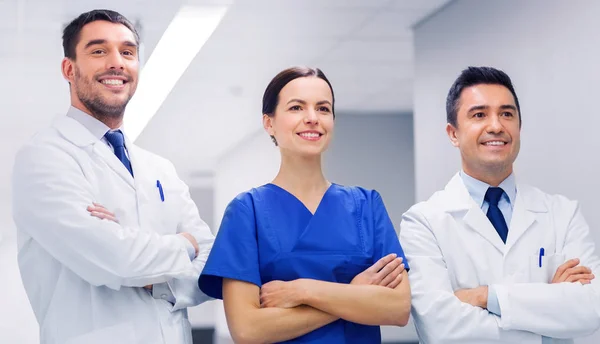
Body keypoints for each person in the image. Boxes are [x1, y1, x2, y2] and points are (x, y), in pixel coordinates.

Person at [11, 9, 214, 344]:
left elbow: (210, 263)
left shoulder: (159, 168)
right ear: (69, 69)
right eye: (98, 51)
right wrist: (183, 245)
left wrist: (159, 281)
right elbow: (116, 259)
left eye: (128, 52)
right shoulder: (44, 158)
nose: (117, 62)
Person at [197, 66, 411, 343]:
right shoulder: (247, 211)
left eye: (323, 109)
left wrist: (303, 291)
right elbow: (247, 330)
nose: (312, 118)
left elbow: (398, 308)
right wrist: (353, 293)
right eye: (297, 108)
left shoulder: (366, 206)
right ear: (269, 123)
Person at [400, 66, 600, 344]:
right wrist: (548, 327)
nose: (496, 126)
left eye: (507, 114)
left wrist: (485, 296)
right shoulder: (423, 222)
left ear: (519, 127)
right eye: (479, 114)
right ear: (453, 134)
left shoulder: (562, 214)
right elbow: (442, 330)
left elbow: (591, 308)